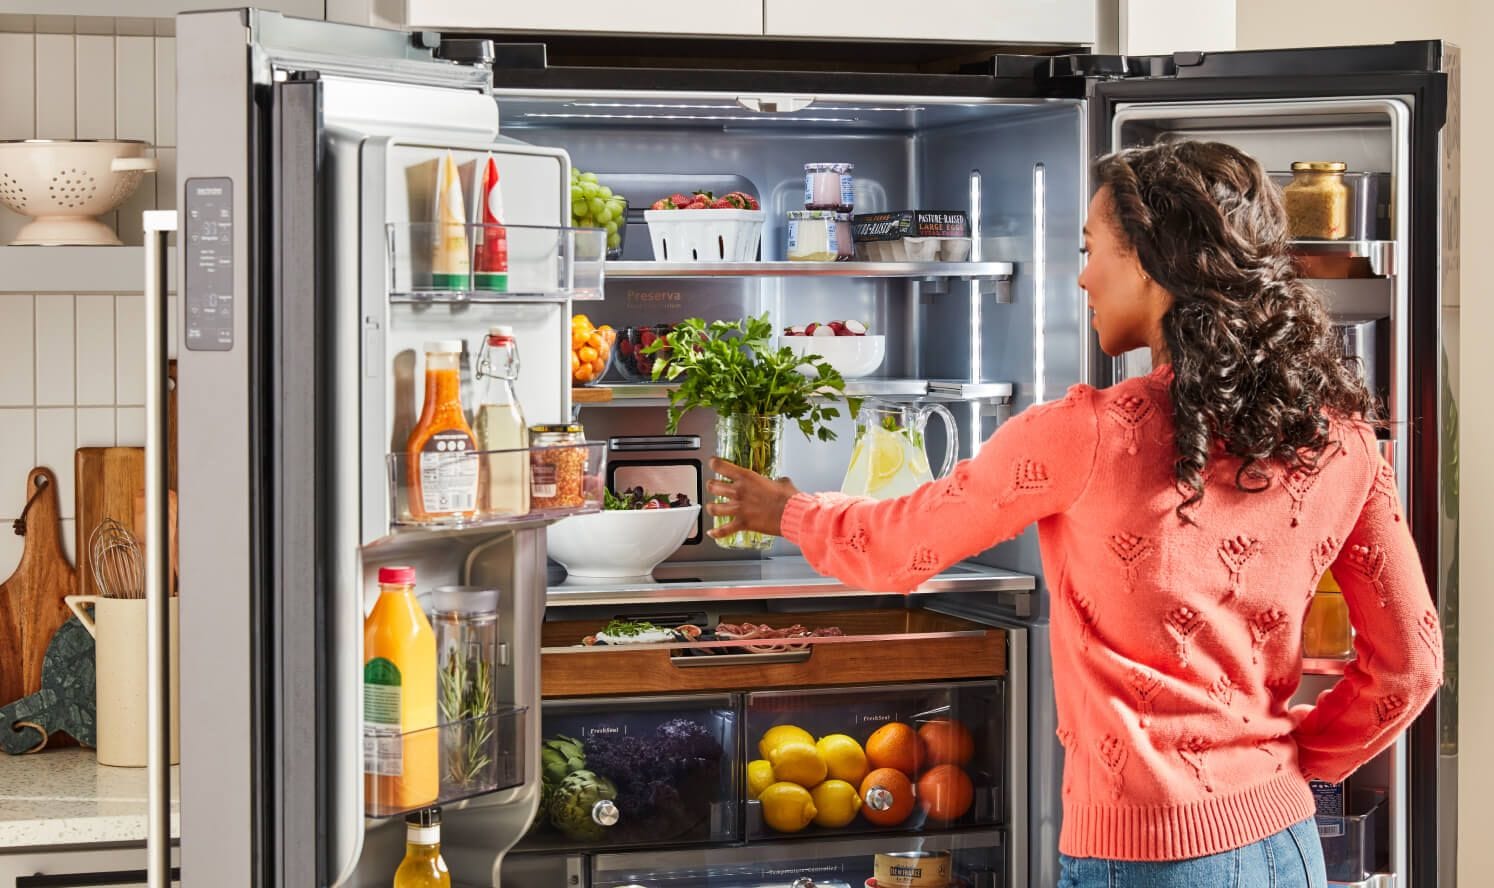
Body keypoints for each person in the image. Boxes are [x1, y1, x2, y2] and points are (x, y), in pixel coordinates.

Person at [706, 141, 1443, 888]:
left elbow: (901, 546)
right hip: (1288, 844)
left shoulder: (1086, 433)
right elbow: (1411, 666)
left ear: (1152, 265)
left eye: (1093, 250)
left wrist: (790, 512)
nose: (1083, 275)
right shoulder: (1340, 436)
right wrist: (1289, 764)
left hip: (1148, 859)